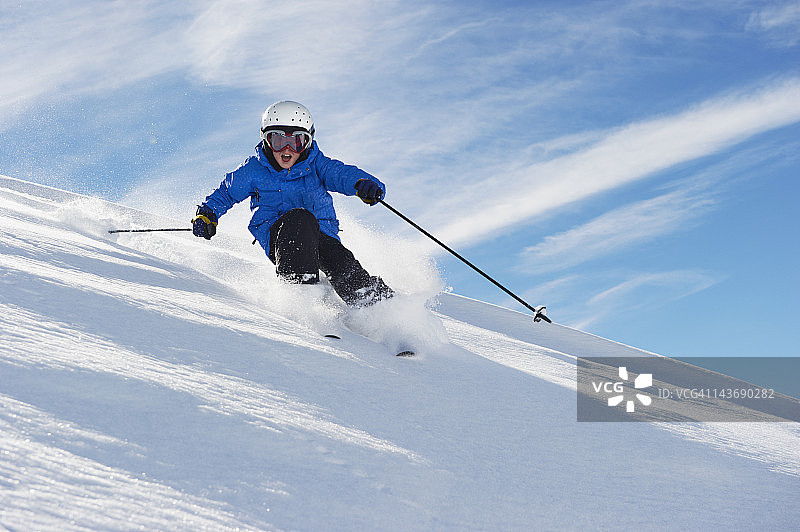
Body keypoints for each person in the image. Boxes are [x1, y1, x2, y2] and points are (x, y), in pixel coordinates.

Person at [191, 100, 393, 307]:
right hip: (280, 239)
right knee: (299, 219)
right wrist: (207, 214)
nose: (287, 150)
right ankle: (302, 301)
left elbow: (342, 174)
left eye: (297, 142)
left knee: (337, 259)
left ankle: (377, 305)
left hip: (321, 234)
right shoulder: (254, 170)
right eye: (278, 140)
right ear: (266, 140)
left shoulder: (317, 164)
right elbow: (226, 192)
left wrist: (364, 185)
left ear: (308, 142)